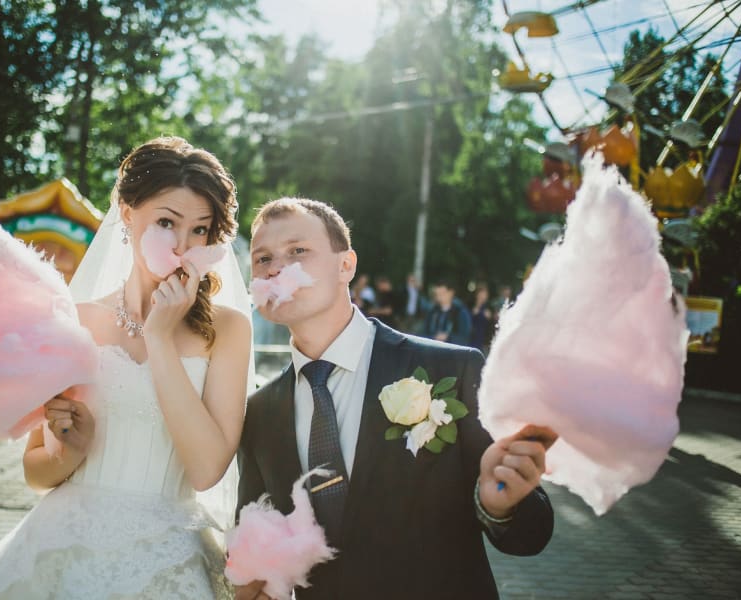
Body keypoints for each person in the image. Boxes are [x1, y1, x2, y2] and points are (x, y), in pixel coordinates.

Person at [0, 137, 252, 599]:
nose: (182, 246)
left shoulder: (228, 330)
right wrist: (71, 451)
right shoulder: (74, 320)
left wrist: (159, 336)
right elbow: (35, 474)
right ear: (127, 211)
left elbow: (205, 470)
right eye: (165, 222)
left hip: (169, 560)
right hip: (62, 550)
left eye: (200, 230)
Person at [236, 198, 553, 600]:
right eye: (262, 258)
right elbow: (255, 535)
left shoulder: (452, 371)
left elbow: (531, 535)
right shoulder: (259, 413)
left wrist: (497, 506)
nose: (276, 268)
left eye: (298, 251)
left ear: (345, 265)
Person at [422, 280, 473, 346]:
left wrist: (448, 337)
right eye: (437, 294)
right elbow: (423, 334)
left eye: (442, 293)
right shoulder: (432, 312)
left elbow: (465, 337)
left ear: (451, 293)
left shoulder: (461, 313)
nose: (439, 297)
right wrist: (433, 337)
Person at [470, 284, 494, 352]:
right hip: (473, 338)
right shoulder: (471, 305)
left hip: (485, 340)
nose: (482, 297)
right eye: (480, 294)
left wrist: (490, 317)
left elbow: (492, 323)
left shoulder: (489, 307)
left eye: (484, 294)